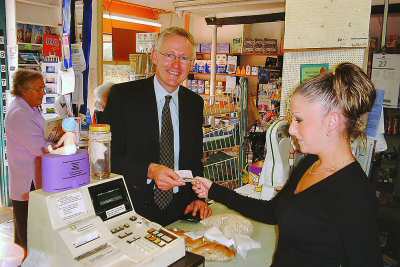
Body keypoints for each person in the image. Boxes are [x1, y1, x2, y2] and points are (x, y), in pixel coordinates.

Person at [192, 63, 383, 267]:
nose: (291, 130)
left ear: (332, 122)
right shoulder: (309, 163)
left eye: (299, 120)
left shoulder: (355, 193)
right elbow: (273, 211)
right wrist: (214, 190)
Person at [102, 27, 211, 226]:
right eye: (169, 55)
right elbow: (107, 157)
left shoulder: (194, 103)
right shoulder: (123, 96)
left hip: (181, 209)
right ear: (154, 56)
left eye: (184, 58)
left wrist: (199, 197)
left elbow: (194, 159)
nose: (176, 65)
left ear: (192, 64)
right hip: (134, 209)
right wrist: (150, 170)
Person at [5, 69, 49, 252]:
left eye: (44, 88)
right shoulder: (19, 113)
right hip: (26, 181)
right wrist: (58, 146)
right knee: (26, 233)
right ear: (24, 90)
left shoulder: (30, 107)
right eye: (39, 89)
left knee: (34, 231)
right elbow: (39, 147)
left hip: (34, 177)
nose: (43, 93)